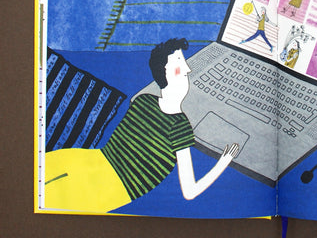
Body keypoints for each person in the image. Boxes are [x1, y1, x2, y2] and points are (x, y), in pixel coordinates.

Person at [44, 38, 239, 213]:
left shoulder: (143, 99)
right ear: (169, 73)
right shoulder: (179, 127)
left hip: (87, 162)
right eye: (181, 66)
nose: (188, 70)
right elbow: (189, 191)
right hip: (109, 187)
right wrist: (223, 162)